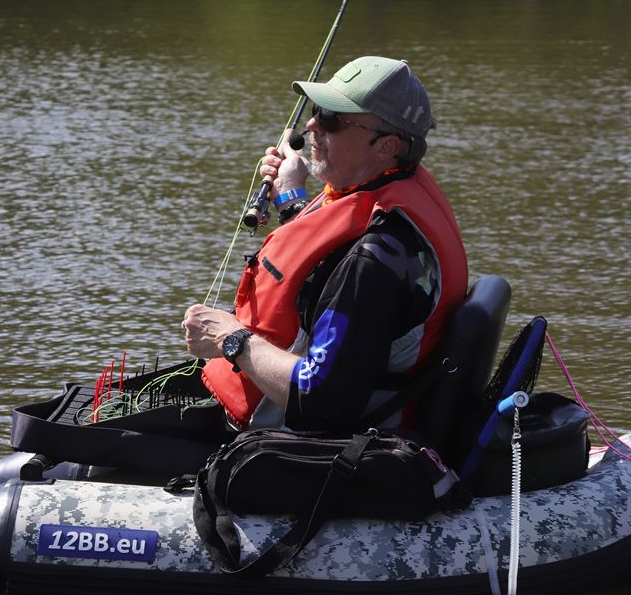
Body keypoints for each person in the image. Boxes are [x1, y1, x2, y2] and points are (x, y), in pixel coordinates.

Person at [182, 55, 468, 435]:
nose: (312, 125)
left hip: (300, 445)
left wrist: (230, 338)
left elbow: (322, 399)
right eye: (317, 110)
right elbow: (327, 265)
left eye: (333, 119)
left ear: (386, 146)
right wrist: (290, 197)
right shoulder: (396, 190)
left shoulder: (374, 259)